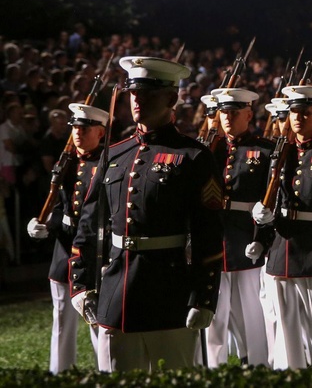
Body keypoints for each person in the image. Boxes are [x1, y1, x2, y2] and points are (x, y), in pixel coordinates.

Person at [70, 56, 224, 371]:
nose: (137, 100)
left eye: (148, 93)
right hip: (116, 295)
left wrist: (204, 296)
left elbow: (209, 233)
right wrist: (81, 282)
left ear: (171, 98)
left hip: (169, 295)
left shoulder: (193, 157)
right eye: (133, 92)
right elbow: (88, 224)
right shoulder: (115, 155)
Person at [251, 84, 312, 372]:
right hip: (282, 246)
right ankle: (290, 372)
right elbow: (275, 198)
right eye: (294, 112)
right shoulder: (282, 154)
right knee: (285, 320)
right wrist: (263, 232)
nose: (299, 118)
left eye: (307, 113)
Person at [27, 102, 106, 372]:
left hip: (94, 251)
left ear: (101, 132)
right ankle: (60, 372)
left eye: (85, 128)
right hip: (64, 250)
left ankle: (106, 372)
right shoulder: (67, 162)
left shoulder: (108, 164)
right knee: (62, 319)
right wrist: (45, 223)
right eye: (75, 128)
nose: (78, 133)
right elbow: (61, 207)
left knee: (97, 319)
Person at [204, 87, 272, 367]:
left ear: (248, 114)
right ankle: (214, 362)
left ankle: (256, 360)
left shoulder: (263, 150)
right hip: (215, 235)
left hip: (246, 234)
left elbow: (271, 198)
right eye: (224, 112)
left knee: (251, 306)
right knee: (215, 306)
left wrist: (263, 237)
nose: (228, 117)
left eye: (235, 112)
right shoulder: (210, 149)